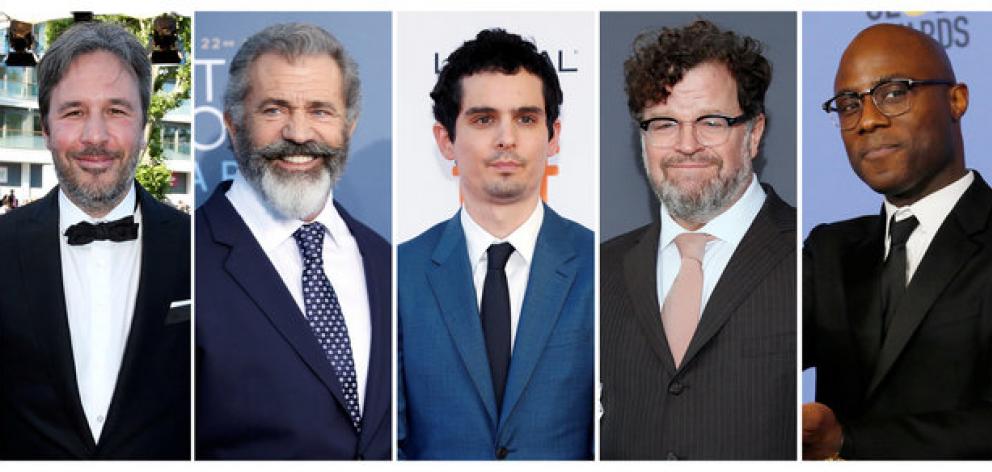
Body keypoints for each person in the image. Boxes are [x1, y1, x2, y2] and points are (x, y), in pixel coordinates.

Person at [600, 20, 796, 460]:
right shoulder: (599, 272)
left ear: (754, 133)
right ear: (643, 137)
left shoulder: (812, 255)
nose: (686, 145)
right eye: (664, 123)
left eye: (710, 122)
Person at [195, 23, 390, 460]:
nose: (299, 133)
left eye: (321, 111)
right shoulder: (183, 262)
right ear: (233, 124)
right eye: (274, 110)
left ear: (349, 125)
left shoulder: (387, 262)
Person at [397, 29, 593, 460]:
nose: (507, 138)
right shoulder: (400, 273)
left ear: (553, 136)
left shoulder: (601, 265)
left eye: (526, 118)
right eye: (484, 119)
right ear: (445, 140)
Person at [0, 21, 190, 459]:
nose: (96, 137)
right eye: (73, 112)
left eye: (117, 111)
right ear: (45, 129)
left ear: (145, 128)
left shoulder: (201, 250)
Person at [804, 23, 992, 460]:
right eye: (849, 104)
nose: (867, 120)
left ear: (956, 100)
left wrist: (846, 443)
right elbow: (757, 344)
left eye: (894, 92)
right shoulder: (829, 249)